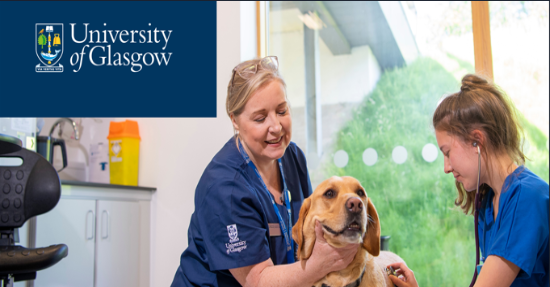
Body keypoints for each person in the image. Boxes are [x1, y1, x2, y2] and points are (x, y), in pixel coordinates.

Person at [170, 56, 359, 287]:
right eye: (260, 118)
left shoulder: (292, 157)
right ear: (235, 121)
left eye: (282, 111)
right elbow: (258, 281)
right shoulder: (225, 188)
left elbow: (309, 232)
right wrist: (319, 266)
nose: (276, 127)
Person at [387, 74, 549, 287]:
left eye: (447, 152)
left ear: (477, 141)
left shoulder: (526, 198)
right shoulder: (489, 202)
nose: (446, 168)